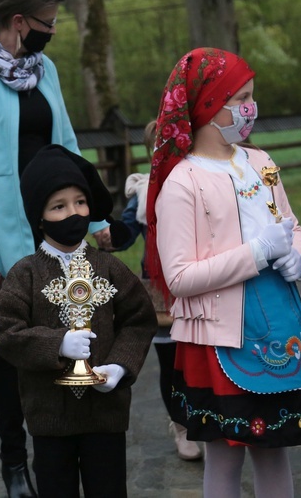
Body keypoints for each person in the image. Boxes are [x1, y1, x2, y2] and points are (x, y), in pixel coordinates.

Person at [0, 0, 112, 495]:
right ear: (18, 22)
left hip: (49, 222)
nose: (52, 32)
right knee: (14, 344)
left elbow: (68, 140)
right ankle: (14, 462)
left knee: (61, 332)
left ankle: (57, 449)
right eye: (47, 24)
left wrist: (91, 214)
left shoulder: (44, 68)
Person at [145, 48, 301, 498]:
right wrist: (257, 253)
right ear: (207, 104)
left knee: (274, 448)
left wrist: (297, 256)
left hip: (280, 325)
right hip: (223, 338)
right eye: (240, 97)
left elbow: (291, 222)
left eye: (251, 97)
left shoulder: (259, 162)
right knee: (225, 454)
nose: (250, 108)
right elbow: (180, 276)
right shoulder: (183, 182)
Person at [0, 144, 158, 498]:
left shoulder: (109, 267)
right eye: (58, 206)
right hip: (49, 417)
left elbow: (140, 319)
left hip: (105, 414)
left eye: (80, 202)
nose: (73, 213)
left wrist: (120, 366)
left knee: (109, 489)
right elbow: (5, 331)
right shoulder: (25, 274)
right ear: (39, 215)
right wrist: (56, 344)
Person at [112, 120, 203, 461]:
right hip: (161, 291)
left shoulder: (200, 180)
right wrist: (108, 234)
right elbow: (127, 235)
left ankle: (205, 417)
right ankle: (181, 426)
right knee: (171, 363)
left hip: (200, 284)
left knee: (199, 357)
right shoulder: (145, 189)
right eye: (157, 146)